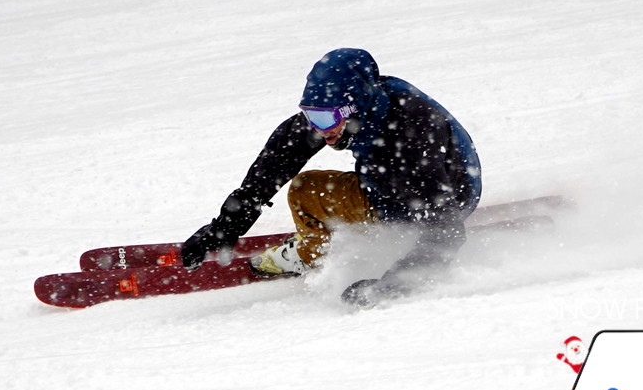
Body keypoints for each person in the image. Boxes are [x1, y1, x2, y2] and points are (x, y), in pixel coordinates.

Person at [180, 48, 481, 308]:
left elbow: (446, 232)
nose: (320, 129)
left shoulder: (407, 140)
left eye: (326, 118)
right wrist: (226, 226)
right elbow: (275, 163)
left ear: (353, 107)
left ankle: (309, 255)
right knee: (304, 166)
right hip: (439, 183)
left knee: (305, 191)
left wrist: (394, 287)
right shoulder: (363, 106)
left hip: (436, 197)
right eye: (311, 115)